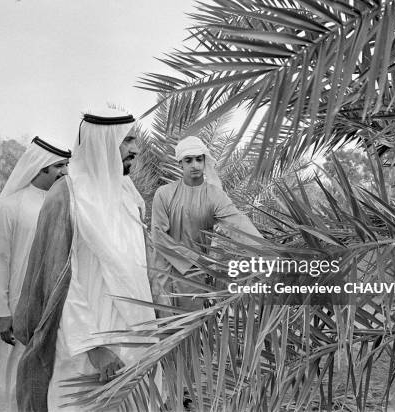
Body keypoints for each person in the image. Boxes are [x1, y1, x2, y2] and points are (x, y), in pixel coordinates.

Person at [13, 108, 157, 412]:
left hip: (136, 337)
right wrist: (94, 347)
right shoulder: (67, 194)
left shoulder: (127, 191)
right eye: (127, 140)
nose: (135, 148)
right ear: (102, 142)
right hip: (87, 347)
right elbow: (59, 278)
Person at [0, 136, 71, 412]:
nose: (64, 172)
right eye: (58, 165)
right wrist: (3, 313)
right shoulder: (11, 206)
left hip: (56, 305)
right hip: (19, 306)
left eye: (67, 164)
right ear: (41, 166)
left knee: (52, 376)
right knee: (16, 376)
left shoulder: (69, 203)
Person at [150, 135, 261, 310]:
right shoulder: (164, 193)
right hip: (163, 274)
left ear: (204, 161)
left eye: (198, 159)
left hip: (193, 278)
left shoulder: (214, 195)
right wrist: (196, 259)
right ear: (180, 163)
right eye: (188, 160)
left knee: (189, 330)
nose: (194, 165)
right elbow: (158, 236)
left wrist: (265, 250)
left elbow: (237, 222)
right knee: (163, 330)